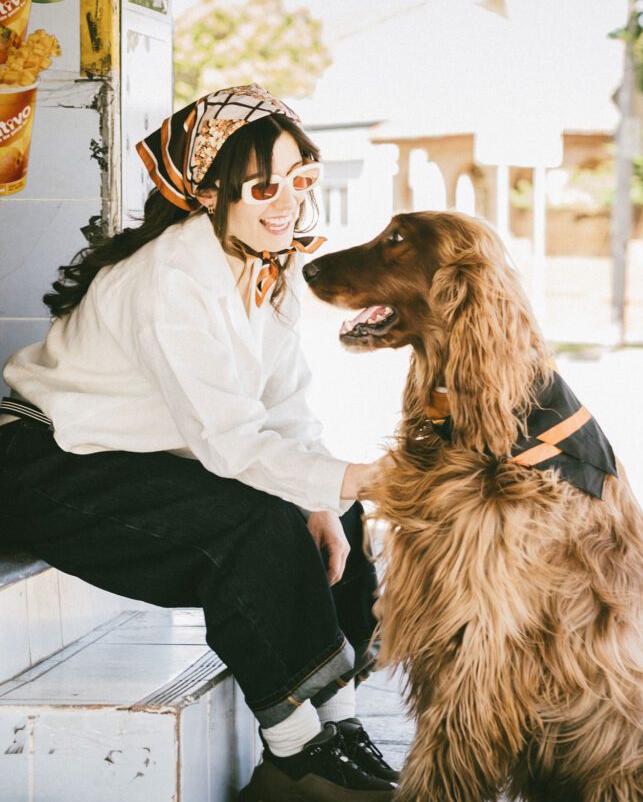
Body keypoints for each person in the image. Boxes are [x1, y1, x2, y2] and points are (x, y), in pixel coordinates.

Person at [0, 84, 399, 801]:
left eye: (301, 180)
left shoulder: (263, 270)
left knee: (332, 512)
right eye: (263, 186)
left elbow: (285, 410)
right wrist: (364, 477)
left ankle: (338, 725)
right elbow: (232, 445)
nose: (289, 202)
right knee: (257, 524)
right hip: (45, 465)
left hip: (131, 460)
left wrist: (327, 495)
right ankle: (294, 755)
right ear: (211, 191)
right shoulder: (168, 278)